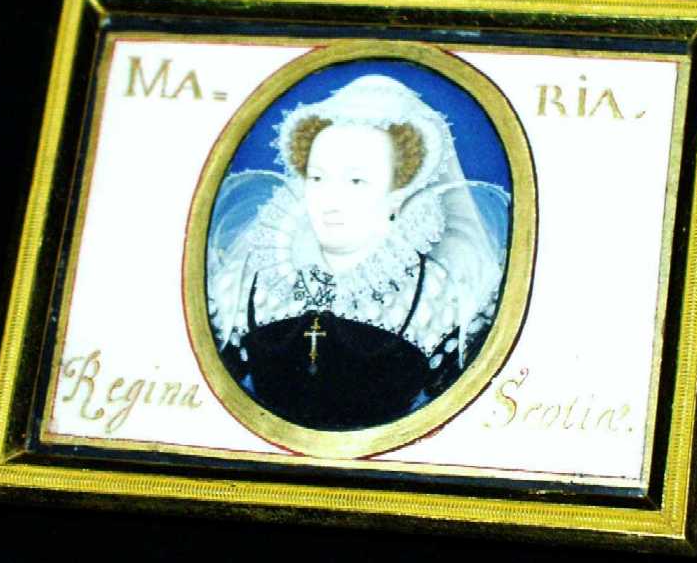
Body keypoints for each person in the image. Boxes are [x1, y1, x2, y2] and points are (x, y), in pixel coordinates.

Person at [206, 74, 509, 430]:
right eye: (317, 178)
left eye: (356, 181)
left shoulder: (441, 299)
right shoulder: (249, 282)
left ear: (399, 190)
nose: (330, 200)